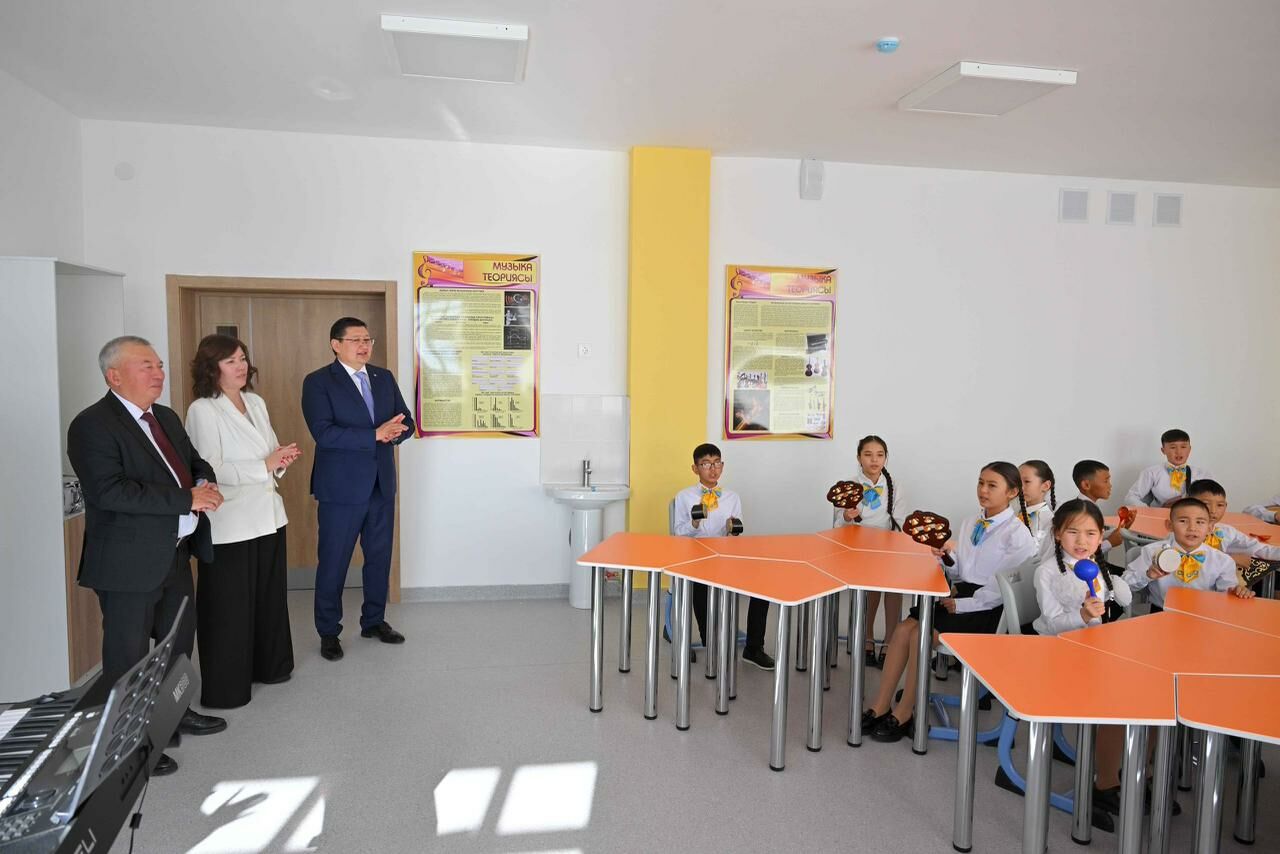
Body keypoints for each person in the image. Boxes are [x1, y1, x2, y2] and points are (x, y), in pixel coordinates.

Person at [66, 335, 228, 777]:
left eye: (159, 365)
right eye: (146, 366)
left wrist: (204, 483)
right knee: (129, 655)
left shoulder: (165, 417)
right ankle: (126, 743)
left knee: (178, 642)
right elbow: (110, 491)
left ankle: (173, 713)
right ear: (114, 376)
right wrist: (187, 499)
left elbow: (194, 462)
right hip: (127, 562)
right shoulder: (92, 425)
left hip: (174, 552)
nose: (159, 373)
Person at [864, 462, 1037, 743]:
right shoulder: (971, 522)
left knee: (920, 634)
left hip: (989, 608)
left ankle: (905, 711)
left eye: (992, 485)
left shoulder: (1018, 535)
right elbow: (961, 571)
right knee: (903, 629)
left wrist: (962, 605)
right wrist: (945, 556)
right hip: (962, 594)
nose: (983, 490)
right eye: (981, 483)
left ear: (1012, 492)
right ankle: (880, 705)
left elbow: (1000, 588)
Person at [185, 334, 300, 708]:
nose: (241, 366)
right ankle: (227, 688)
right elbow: (209, 468)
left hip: (269, 516)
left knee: (268, 599)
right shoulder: (203, 410)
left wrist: (280, 460)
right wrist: (264, 466)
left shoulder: (256, 402)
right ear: (211, 368)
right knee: (229, 608)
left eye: (243, 358)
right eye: (231, 360)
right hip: (231, 522)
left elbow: (269, 451)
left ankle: (271, 667)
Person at [301, 317, 415, 661]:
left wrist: (397, 432)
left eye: (368, 340)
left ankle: (374, 621)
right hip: (341, 489)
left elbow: (406, 420)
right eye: (355, 340)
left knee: (379, 558)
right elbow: (324, 433)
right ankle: (328, 632)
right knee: (334, 561)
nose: (364, 346)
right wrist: (375, 434)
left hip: (381, 484)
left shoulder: (383, 377)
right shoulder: (319, 382)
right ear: (336, 344)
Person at [1030, 500, 1134, 814]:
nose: (1081, 541)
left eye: (1090, 533)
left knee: (1150, 691)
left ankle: (1138, 773)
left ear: (1101, 536)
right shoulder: (1047, 572)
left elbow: (1116, 603)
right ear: (1057, 533)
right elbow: (1051, 624)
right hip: (1058, 651)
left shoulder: (1097, 566)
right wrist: (1083, 616)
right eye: (1072, 532)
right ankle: (1105, 782)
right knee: (1123, 700)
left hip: (1094, 647)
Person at [672, 443, 774, 670]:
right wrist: (694, 522)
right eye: (706, 464)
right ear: (695, 468)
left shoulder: (732, 497)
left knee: (763, 586)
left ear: (722, 466)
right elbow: (678, 533)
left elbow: (736, 533)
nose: (713, 469)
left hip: (727, 557)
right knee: (700, 585)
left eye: (717, 463)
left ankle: (753, 648)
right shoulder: (684, 497)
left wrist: (732, 529)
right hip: (696, 557)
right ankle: (709, 639)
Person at [831, 435, 907, 668]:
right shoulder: (849, 484)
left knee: (894, 589)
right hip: (857, 548)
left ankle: (890, 641)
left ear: (885, 458)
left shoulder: (895, 486)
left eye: (879, 455)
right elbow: (837, 525)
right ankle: (867, 637)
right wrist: (846, 516)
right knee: (870, 591)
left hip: (888, 547)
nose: (874, 460)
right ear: (858, 458)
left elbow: (900, 522)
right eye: (868, 454)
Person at [1123, 497, 1253, 611]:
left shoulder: (1222, 560)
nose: (1192, 528)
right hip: (1160, 612)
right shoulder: (1152, 552)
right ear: (1169, 525)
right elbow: (1124, 584)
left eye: (1200, 522)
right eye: (1183, 521)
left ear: (1209, 528)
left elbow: (1227, 595)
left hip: (1205, 615)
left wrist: (1237, 592)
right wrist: (1147, 575)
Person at [1123, 428, 1212, 507]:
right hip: (1161, 517)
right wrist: (1152, 511)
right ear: (1163, 450)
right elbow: (1130, 497)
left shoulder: (1203, 474)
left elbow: (1213, 499)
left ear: (1189, 449)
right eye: (1173, 447)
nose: (1179, 452)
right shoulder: (1151, 473)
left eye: (1183, 447)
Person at [1072, 459, 1136, 550]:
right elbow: (1081, 550)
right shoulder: (1081, 514)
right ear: (1086, 485)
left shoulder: (1088, 506)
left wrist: (1122, 528)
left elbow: (1094, 536)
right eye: (1106, 481)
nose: (1110, 485)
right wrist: (1109, 543)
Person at [1018, 460, 1057, 562]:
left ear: (1045, 486)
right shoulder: (1015, 514)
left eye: (1027, 482)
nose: (1020, 487)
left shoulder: (1048, 520)